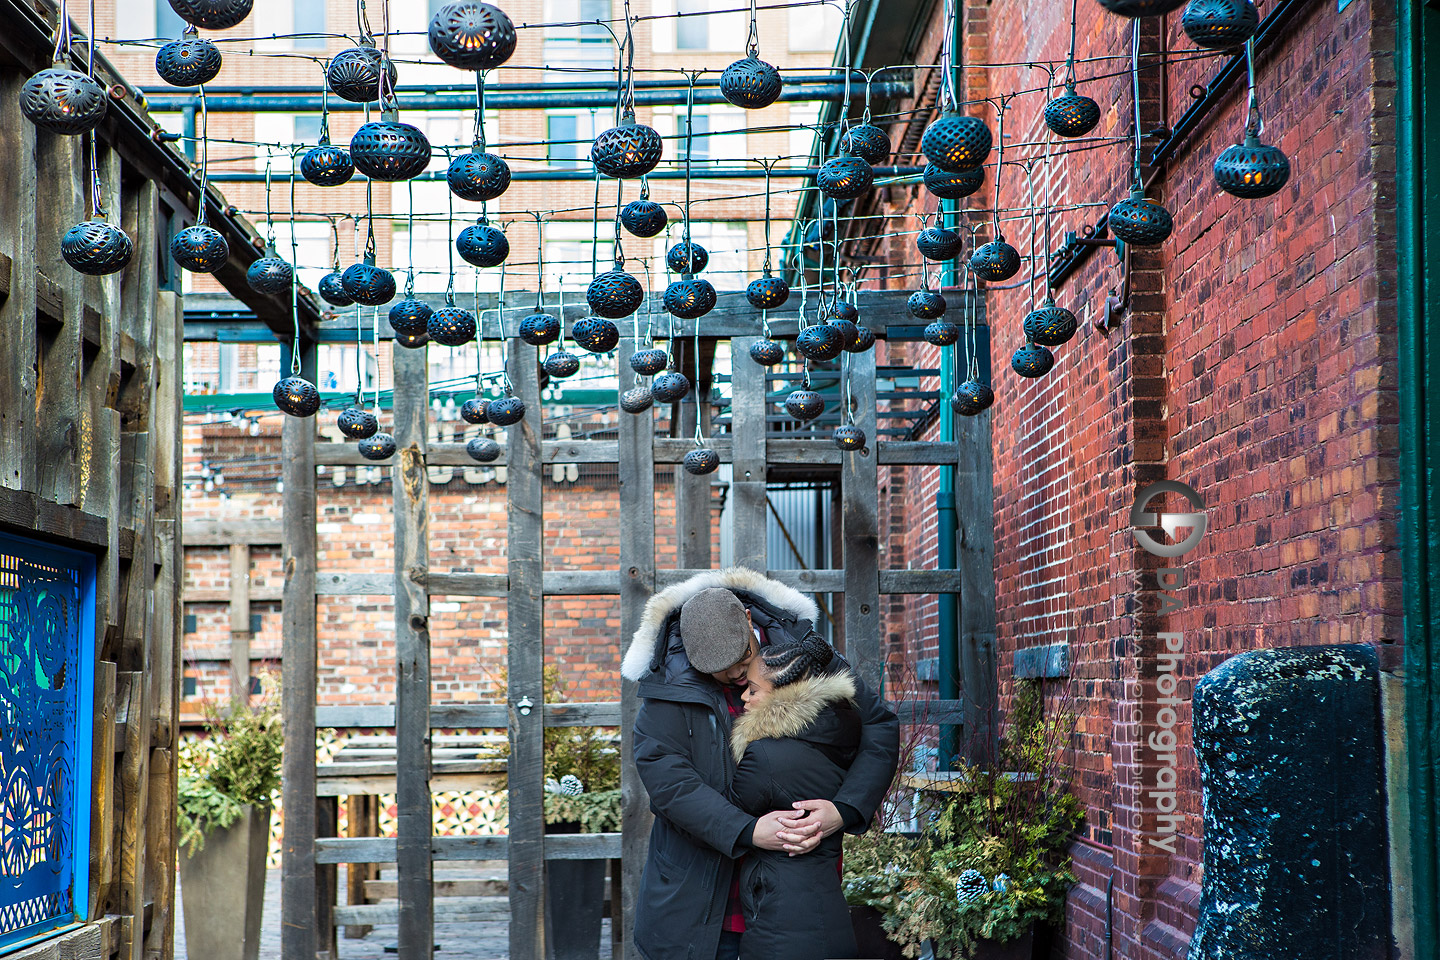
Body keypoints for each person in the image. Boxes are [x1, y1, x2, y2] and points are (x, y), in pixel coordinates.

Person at [623, 568, 899, 960]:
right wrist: (747, 830)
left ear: (749, 620)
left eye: (742, 659)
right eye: (719, 669)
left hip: (792, 901)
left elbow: (878, 726)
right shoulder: (666, 684)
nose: (735, 674)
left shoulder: (801, 650)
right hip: (698, 899)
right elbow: (670, 782)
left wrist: (846, 808)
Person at [730, 634, 862, 960]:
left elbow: (728, 812)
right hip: (825, 906)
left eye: (754, 689)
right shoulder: (838, 733)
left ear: (783, 696)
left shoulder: (765, 756)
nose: (744, 696)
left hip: (781, 919)